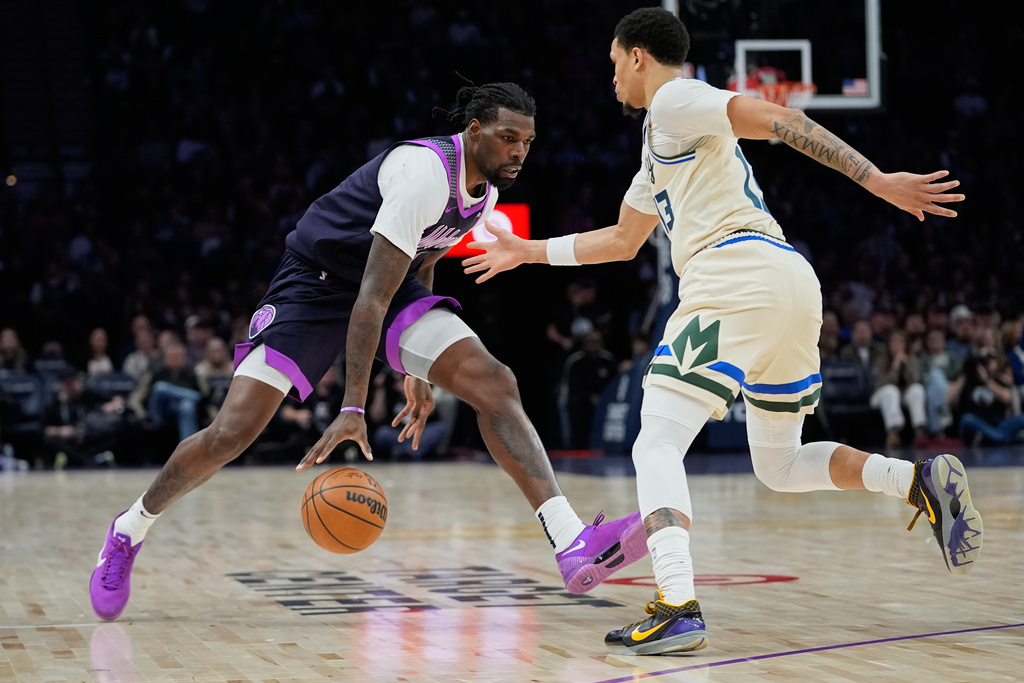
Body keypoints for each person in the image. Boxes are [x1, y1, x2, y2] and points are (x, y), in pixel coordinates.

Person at [462, 8, 981, 655]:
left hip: (732, 275)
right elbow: (623, 240)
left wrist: (877, 180)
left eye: (614, 63)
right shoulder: (660, 144)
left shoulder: (677, 100)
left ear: (638, 56)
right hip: (787, 279)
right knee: (782, 464)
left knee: (656, 441)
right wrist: (528, 250)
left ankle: (676, 603)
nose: (612, 76)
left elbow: (781, 120)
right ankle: (915, 481)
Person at [89, 82, 645, 622]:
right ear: (473, 130)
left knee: (495, 382)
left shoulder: (486, 195)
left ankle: (570, 540)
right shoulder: (424, 173)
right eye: (506, 138)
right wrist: (352, 408)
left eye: (526, 141)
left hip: (390, 287)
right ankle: (129, 528)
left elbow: (424, 261)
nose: (519, 151)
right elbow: (368, 303)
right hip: (316, 285)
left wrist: (418, 369)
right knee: (230, 434)